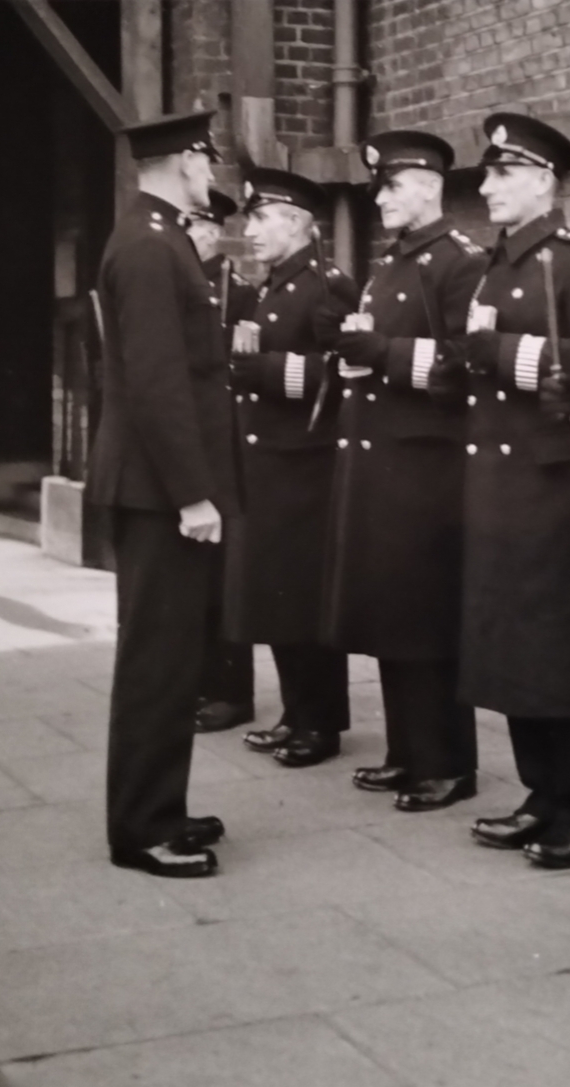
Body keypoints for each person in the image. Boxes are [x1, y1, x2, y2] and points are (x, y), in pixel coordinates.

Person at [453, 113, 570, 869]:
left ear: (544, 181)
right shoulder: (495, 265)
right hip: (498, 478)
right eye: (487, 175)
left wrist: (507, 354)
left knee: (557, 644)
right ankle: (540, 792)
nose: (487, 187)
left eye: (502, 173)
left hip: (554, 481)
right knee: (514, 640)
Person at [88, 111, 238, 878]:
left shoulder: (156, 236)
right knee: (157, 660)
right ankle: (142, 827)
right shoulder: (150, 247)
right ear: (184, 160)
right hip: (159, 495)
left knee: (175, 657)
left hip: (160, 489)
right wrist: (193, 495)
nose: (213, 174)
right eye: (209, 160)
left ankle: (161, 807)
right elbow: (157, 386)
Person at [323, 131, 486, 812]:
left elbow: (461, 369)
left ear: (428, 184)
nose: (381, 199)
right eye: (378, 188)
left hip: (428, 468)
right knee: (395, 611)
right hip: (384, 461)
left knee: (427, 617)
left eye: (391, 186)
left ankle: (446, 763)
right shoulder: (393, 264)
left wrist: (382, 352)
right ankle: (406, 750)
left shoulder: (458, 264)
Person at [225, 168, 358, 769]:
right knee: (277, 594)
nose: (249, 230)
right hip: (269, 461)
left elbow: (343, 376)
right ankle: (295, 711)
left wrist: (271, 373)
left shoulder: (327, 286)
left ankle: (320, 722)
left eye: (260, 218)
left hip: (307, 466)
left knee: (303, 596)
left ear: (299, 224)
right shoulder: (268, 287)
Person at [186, 189, 258, 735]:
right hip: (193, 440)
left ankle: (231, 691)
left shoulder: (238, 292)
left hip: (227, 441)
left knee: (224, 576)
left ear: (212, 231)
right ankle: (202, 681)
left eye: (194, 226)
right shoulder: (178, 284)